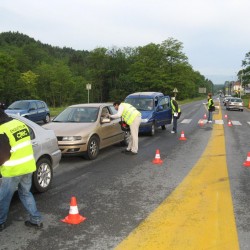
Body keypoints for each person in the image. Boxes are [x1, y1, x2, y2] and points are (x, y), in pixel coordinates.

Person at [0, 109, 43, 231]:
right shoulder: (19, 123)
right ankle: (36, 219)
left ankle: (0, 221)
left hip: (12, 169)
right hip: (28, 166)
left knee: (4, 197)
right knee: (25, 193)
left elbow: (2, 155)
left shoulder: (1, 130)